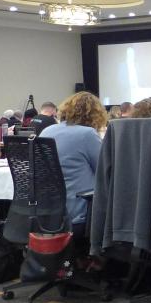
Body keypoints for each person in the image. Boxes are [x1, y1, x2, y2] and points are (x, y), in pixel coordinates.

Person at [40, 92, 106, 227]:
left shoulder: (47, 131)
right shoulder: (87, 134)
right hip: (79, 212)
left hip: (47, 211)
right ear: (96, 115)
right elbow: (104, 171)